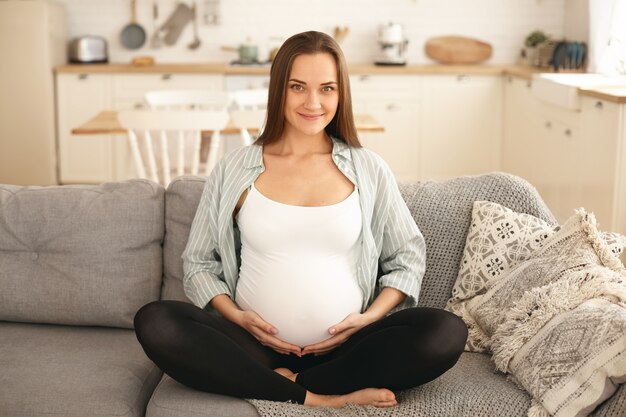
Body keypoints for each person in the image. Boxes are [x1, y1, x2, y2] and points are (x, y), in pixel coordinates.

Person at [134, 30, 467, 408]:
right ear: (279, 90)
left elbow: (406, 259)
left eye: (327, 88)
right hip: (252, 346)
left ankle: (292, 384)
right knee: (156, 321)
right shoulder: (236, 168)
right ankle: (320, 398)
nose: (313, 102)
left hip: (347, 347)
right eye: (298, 87)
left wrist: (367, 319)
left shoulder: (368, 168)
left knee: (445, 332)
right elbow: (199, 263)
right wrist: (240, 318)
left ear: (341, 94)